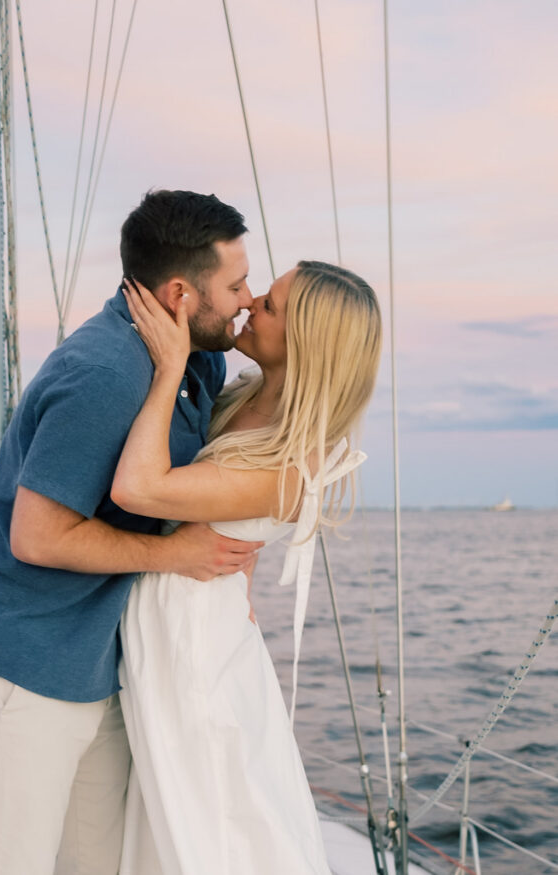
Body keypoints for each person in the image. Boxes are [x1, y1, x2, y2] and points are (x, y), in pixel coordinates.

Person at [0, 190, 265, 875]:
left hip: (102, 661)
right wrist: (175, 554)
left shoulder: (196, 358)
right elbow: (37, 536)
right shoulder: (102, 372)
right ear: (180, 292)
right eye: (236, 284)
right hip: (24, 661)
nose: (248, 296)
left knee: (99, 863)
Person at [112, 260, 382, 874]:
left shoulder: (291, 463)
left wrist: (169, 366)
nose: (252, 302)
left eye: (273, 305)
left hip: (192, 646)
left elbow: (139, 487)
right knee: (163, 805)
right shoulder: (242, 397)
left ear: (306, 341)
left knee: (206, 814)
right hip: (175, 617)